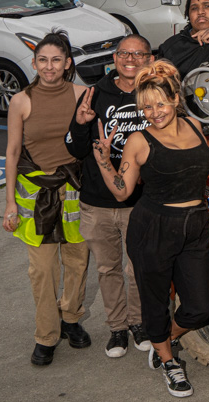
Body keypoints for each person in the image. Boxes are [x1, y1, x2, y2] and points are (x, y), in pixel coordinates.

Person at [92, 61, 209, 398]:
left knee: (200, 306)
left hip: (195, 225)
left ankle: (163, 339)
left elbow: (206, 164)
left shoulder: (195, 125)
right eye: (146, 107)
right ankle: (169, 362)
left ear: (174, 98)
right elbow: (123, 190)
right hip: (153, 227)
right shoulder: (139, 141)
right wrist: (103, 160)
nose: (154, 112)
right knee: (155, 302)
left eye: (160, 103)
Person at [2, 31, 91, 366]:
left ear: (68, 63)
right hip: (36, 198)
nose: (49, 66)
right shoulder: (21, 100)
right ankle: (46, 334)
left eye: (56, 60)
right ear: (35, 63)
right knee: (42, 271)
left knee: (77, 263)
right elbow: (12, 153)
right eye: (43, 60)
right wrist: (10, 202)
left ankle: (71, 318)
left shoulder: (83, 95)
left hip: (75, 193)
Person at [65, 35, 154, 358]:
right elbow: (74, 149)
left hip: (141, 202)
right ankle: (117, 328)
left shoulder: (154, 94)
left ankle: (138, 323)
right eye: (124, 53)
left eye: (138, 53)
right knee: (107, 269)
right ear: (115, 57)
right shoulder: (95, 94)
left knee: (137, 268)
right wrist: (79, 123)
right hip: (97, 203)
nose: (130, 59)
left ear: (149, 58)